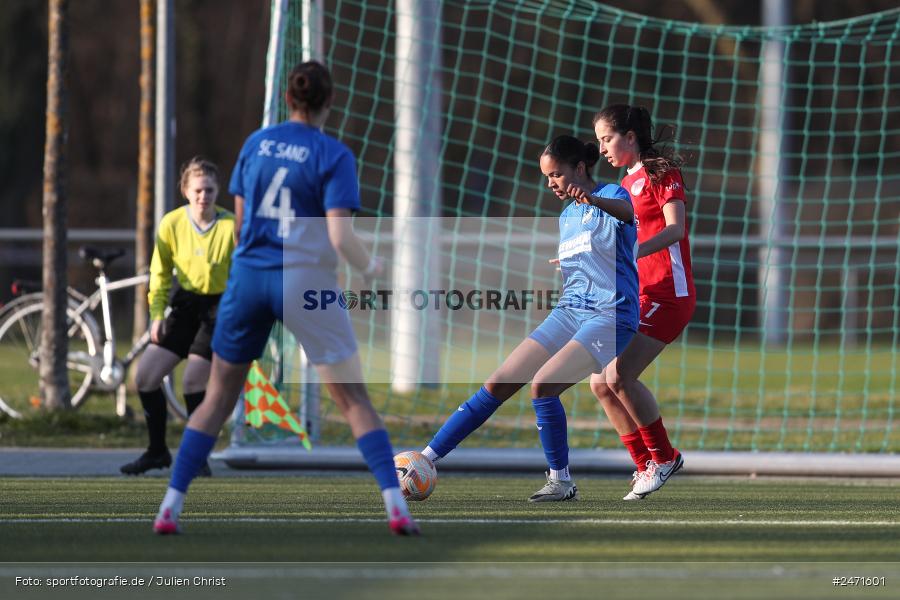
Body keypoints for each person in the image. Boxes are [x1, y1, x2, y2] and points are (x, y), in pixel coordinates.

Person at [152, 61, 419, 536]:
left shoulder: (256, 143)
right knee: (353, 399)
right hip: (305, 281)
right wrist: (371, 267)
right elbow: (339, 236)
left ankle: (170, 506)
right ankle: (396, 506)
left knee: (216, 397)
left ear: (288, 98)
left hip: (250, 278)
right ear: (328, 102)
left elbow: (241, 221)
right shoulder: (333, 154)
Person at [421, 135, 639, 502]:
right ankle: (426, 460)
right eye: (547, 177)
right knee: (500, 381)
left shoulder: (614, 195)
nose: (551, 183)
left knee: (543, 385)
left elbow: (627, 216)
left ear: (580, 169)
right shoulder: (567, 215)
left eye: (556, 175)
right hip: (570, 310)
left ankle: (561, 481)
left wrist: (594, 200)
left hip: (610, 313)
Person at [590, 104, 695, 500]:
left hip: (669, 295)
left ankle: (665, 458)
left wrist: (635, 252)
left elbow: (675, 229)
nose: (602, 148)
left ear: (629, 137)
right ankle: (645, 464)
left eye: (607, 139)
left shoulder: (660, 172)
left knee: (618, 376)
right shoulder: (623, 185)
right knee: (599, 383)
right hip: (640, 296)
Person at [121, 157, 234, 477]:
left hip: (219, 308)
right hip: (185, 306)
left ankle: (197, 457)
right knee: (145, 376)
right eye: (198, 190)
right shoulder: (171, 224)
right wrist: (156, 314)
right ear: (186, 191)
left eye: (209, 190)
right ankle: (157, 451)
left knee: (193, 379)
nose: (204, 196)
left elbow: (243, 273)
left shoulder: (230, 225)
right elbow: (159, 273)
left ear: (217, 191)